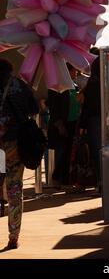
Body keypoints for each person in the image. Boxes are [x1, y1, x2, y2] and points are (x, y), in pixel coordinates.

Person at [0, 58, 39, 249]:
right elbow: (35, 109)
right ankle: (13, 235)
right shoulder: (20, 85)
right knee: (14, 189)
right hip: (15, 145)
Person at [47, 64, 80, 189]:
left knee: (68, 152)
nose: (76, 73)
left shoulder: (74, 85)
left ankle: (65, 180)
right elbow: (54, 107)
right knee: (62, 152)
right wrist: (59, 125)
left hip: (72, 122)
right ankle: (57, 178)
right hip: (61, 124)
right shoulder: (55, 86)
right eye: (74, 71)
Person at [79, 57, 102, 194]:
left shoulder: (93, 82)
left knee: (96, 151)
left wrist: (82, 124)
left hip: (94, 120)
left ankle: (100, 182)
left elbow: (88, 106)